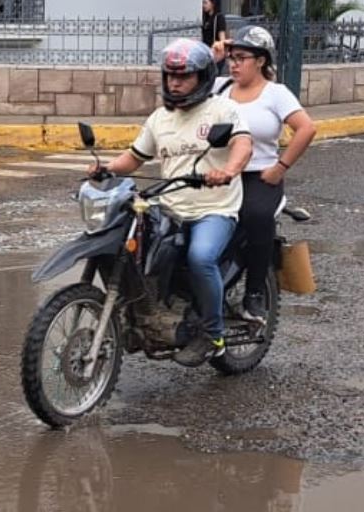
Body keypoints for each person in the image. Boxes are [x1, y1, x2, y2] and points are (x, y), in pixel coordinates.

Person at [98, 39, 252, 364]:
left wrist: (228, 170)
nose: (175, 83)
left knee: (200, 258)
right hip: (169, 208)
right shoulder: (159, 119)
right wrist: (105, 169)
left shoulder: (222, 110)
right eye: (170, 76)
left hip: (214, 208)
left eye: (184, 77)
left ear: (203, 77)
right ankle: (149, 314)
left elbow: (242, 145)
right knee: (132, 251)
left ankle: (214, 335)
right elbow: (133, 158)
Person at [217, 26, 316, 320]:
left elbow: (306, 128)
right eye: (231, 58)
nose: (233, 64)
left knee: (256, 217)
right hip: (220, 174)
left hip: (259, 176)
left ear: (260, 60)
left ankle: (255, 292)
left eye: (241, 57)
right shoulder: (219, 88)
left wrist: (280, 167)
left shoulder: (275, 94)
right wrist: (212, 59)